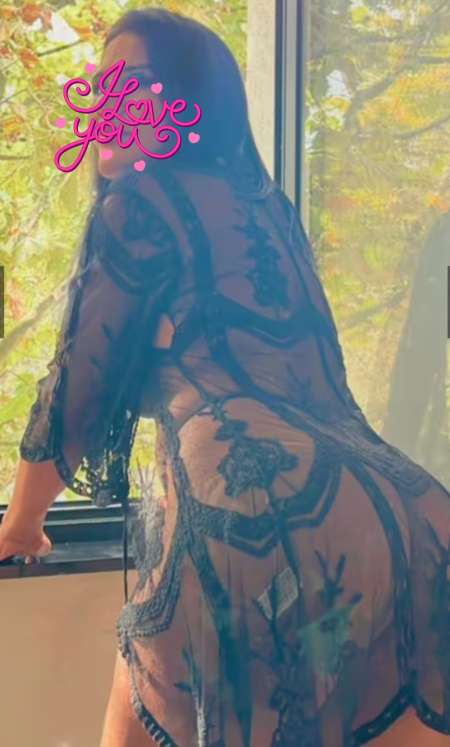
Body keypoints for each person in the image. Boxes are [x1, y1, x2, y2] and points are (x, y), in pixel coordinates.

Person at [0, 8, 449, 747]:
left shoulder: (136, 203)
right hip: (411, 511)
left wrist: (22, 523)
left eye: (132, 84)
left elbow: (77, 382)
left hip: (246, 512)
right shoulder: (270, 210)